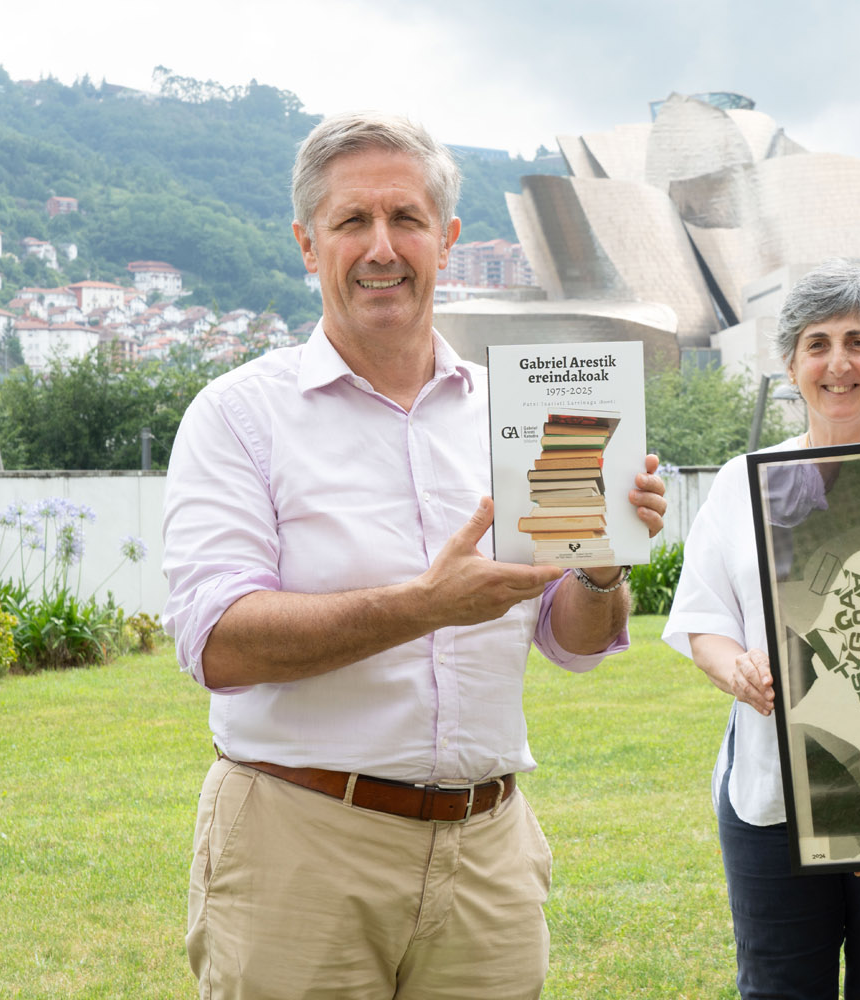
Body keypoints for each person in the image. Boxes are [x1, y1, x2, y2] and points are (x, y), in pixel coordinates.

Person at [161, 111, 667, 1000]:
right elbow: (218, 643)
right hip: (299, 845)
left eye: (406, 219)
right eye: (351, 221)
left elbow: (576, 641)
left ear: (448, 239)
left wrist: (601, 566)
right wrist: (425, 605)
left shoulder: (520, 413)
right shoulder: (239, 415)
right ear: (307, 244)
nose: (382, 247)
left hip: (487, 856)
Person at [662, 259, 860, 1000]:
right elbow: (705, 620)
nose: (838, 364)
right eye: (817, 344)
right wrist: (734, 667)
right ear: (790, 364)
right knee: (778, 988)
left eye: (858, 342)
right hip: (772, 798)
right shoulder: (742, 483)